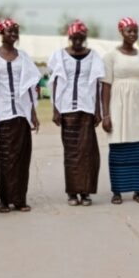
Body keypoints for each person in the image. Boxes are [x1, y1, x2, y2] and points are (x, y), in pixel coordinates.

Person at [0, 18, 40, 213]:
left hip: (22, 113)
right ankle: (5, 200)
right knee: (6, 157)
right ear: (1, 33)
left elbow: (31, 86)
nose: (13, 34)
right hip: (3, 113)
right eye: (9, 31)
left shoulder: (23, 56)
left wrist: (33, 113)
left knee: (23, 157)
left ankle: (20, 200)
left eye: (16, 31)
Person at [101, 17, 139, 204]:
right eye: (129, 31)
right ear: (121, 32)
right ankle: (117, 191)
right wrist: (106, 115)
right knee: (119, 145)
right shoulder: (111, 56)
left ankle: (138, 190)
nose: (133, 34)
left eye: (135, 31)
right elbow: (106, 86)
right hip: (118, 104)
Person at [48, 20, 105, 206]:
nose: (78, 41)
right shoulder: (60, 56)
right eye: (74, 38)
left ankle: (85, 192)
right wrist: (55, 109)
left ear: (85, 38)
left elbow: (97, 83)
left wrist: (98, 110)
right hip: (66, 110)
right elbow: (55, 81)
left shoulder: (93, 56)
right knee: (71, 153)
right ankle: (72, 192)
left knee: (87, 153)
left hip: (87, 109)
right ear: (69, 37)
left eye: (81, 38)